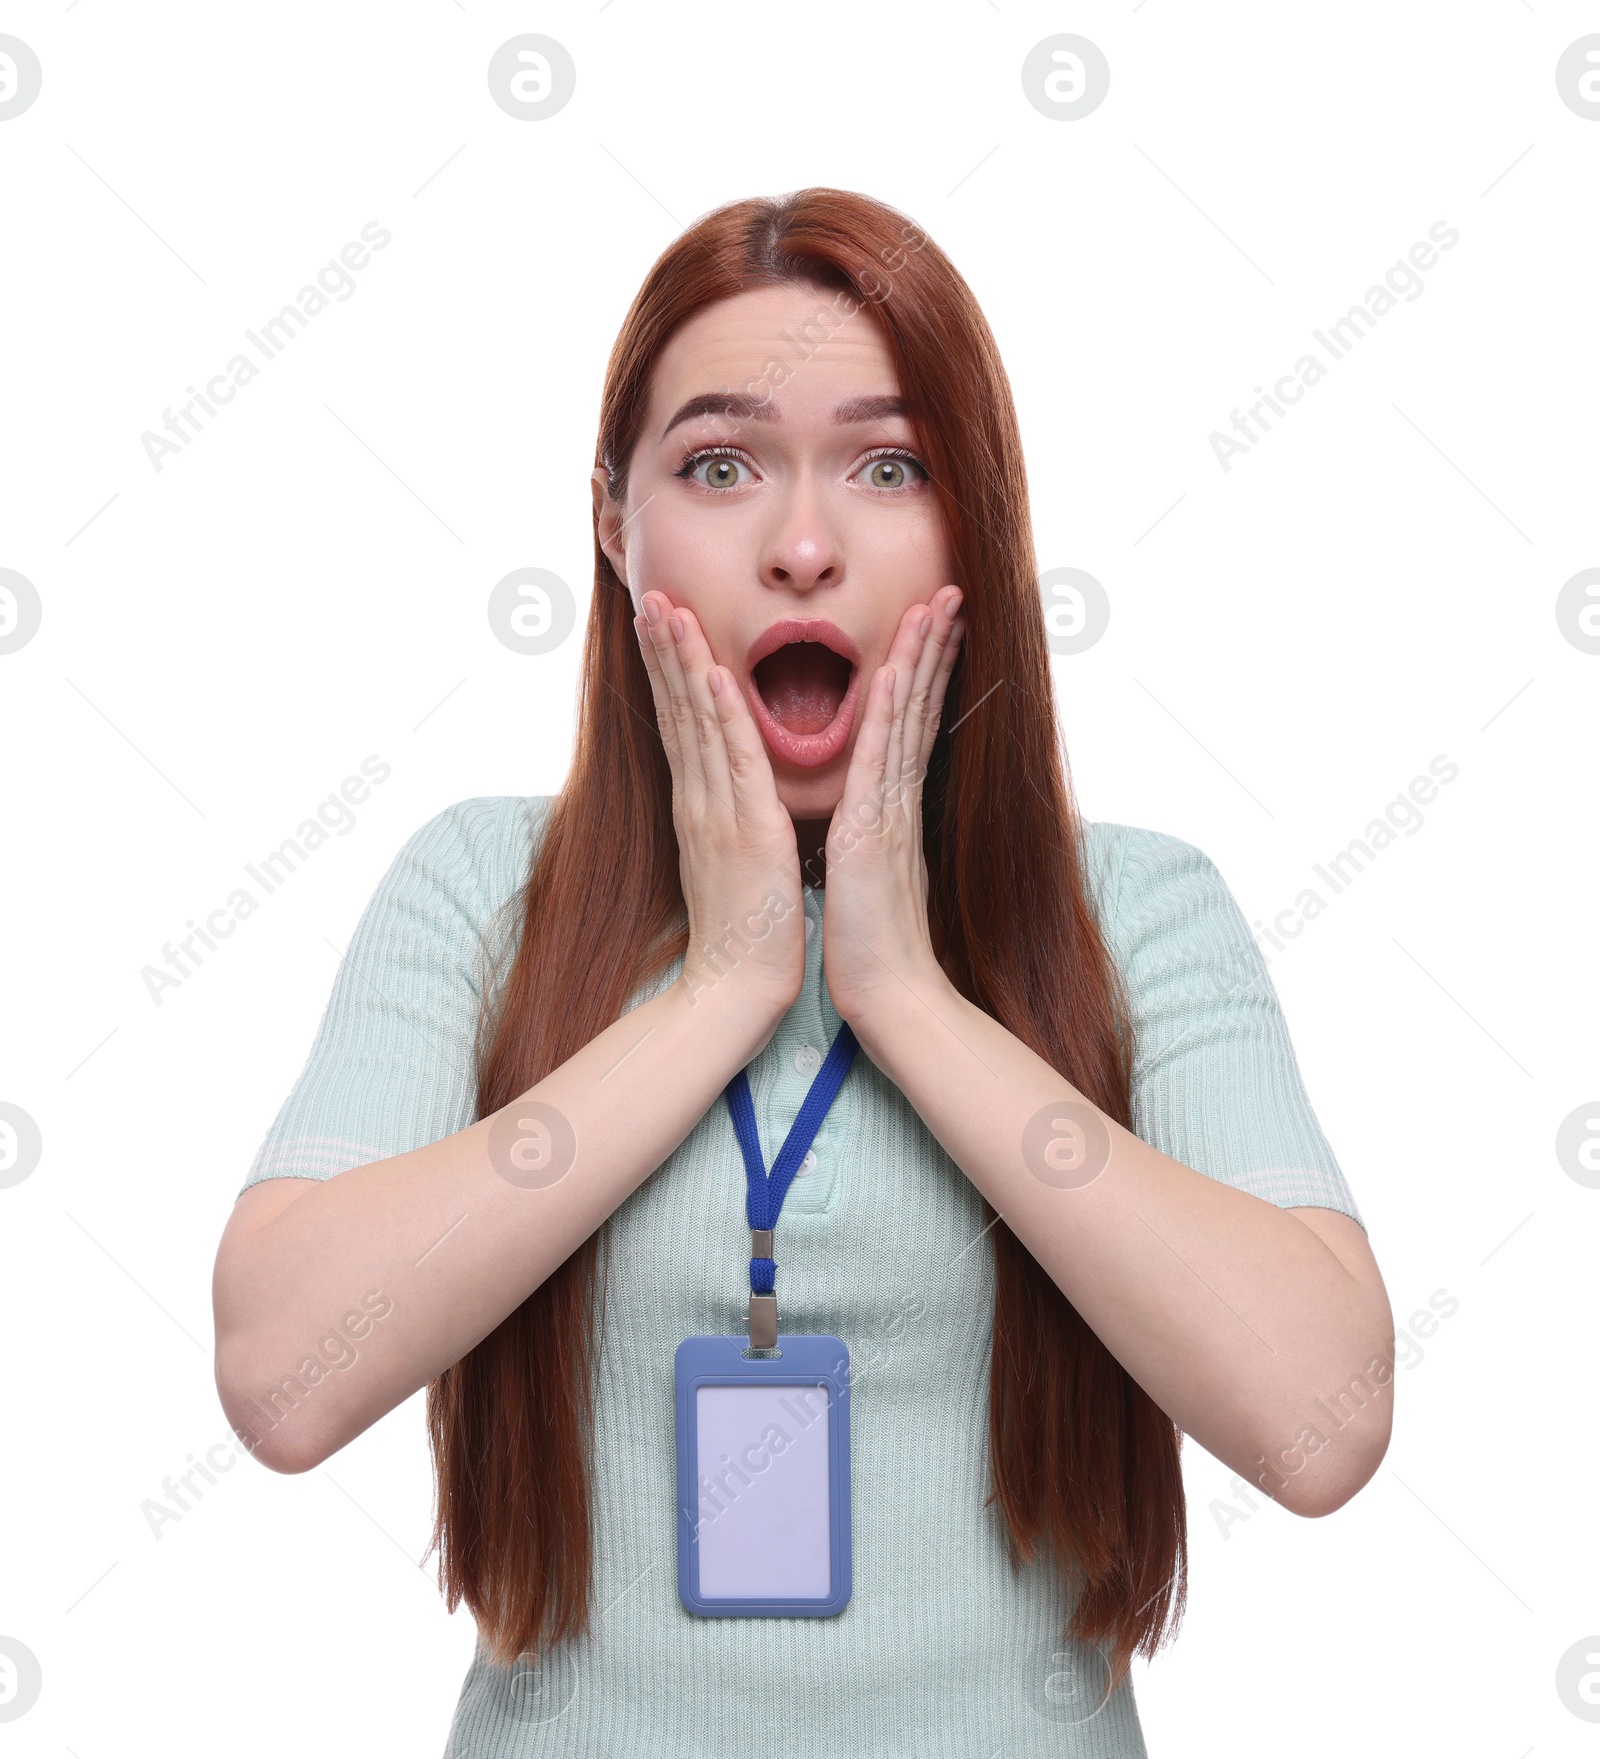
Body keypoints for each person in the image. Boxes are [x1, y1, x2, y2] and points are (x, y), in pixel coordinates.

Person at [211, 187, 1394, 1758]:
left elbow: (1322, 1422)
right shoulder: (481, 893)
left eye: (889, 466)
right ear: (614, 525)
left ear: (977, 522)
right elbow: (286, 1378)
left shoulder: (1143, 912)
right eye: (718, 465)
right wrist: (724, 989)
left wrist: (907, 997)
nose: (806, 544)